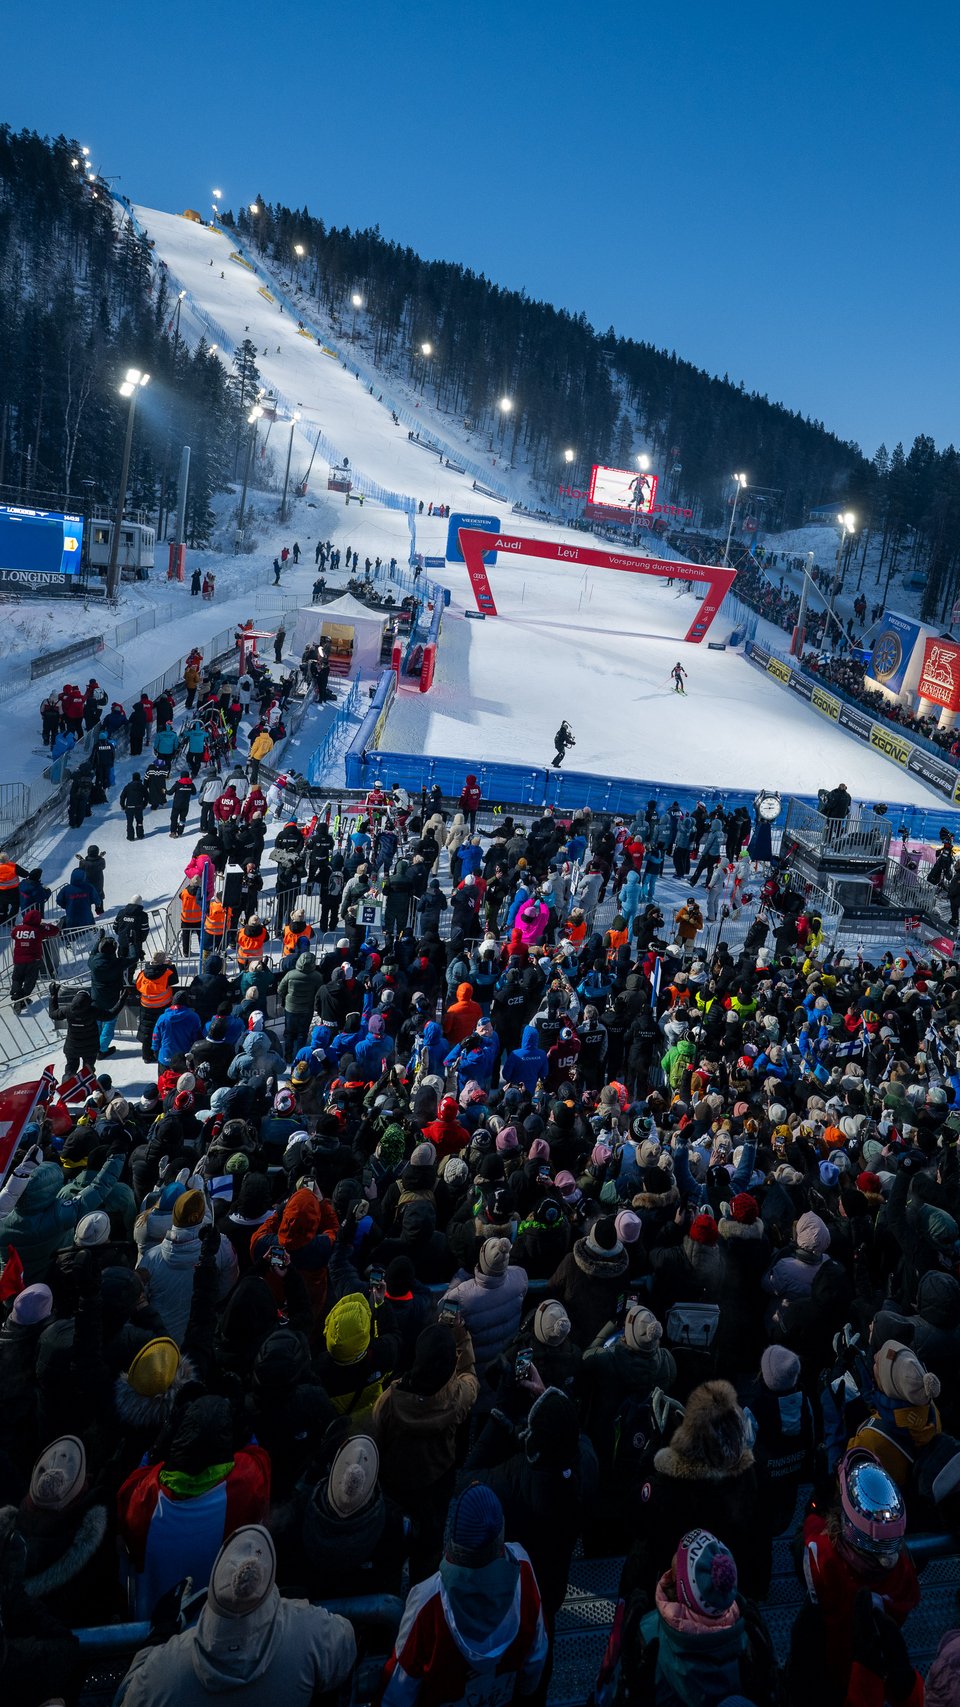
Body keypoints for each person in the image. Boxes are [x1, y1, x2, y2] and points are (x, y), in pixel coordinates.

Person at [381, 1484, 548, 1706]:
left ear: (454, 1542)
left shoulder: (427, 1598)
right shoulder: (523, 1568)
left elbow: (399, 1686)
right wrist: (525, 1693)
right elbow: (537, 1652)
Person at [120, 771, 147, 841]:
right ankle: (140, 835)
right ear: (139, 778)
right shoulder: (142, 786)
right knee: (139, 821)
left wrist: (122, 805)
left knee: (129, 822)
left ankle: (130, 837)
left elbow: (122, 796)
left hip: (129, 807)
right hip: (139, 807)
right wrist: (144, 805)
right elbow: (147, 797)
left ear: (132, 778)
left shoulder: (128, 786)